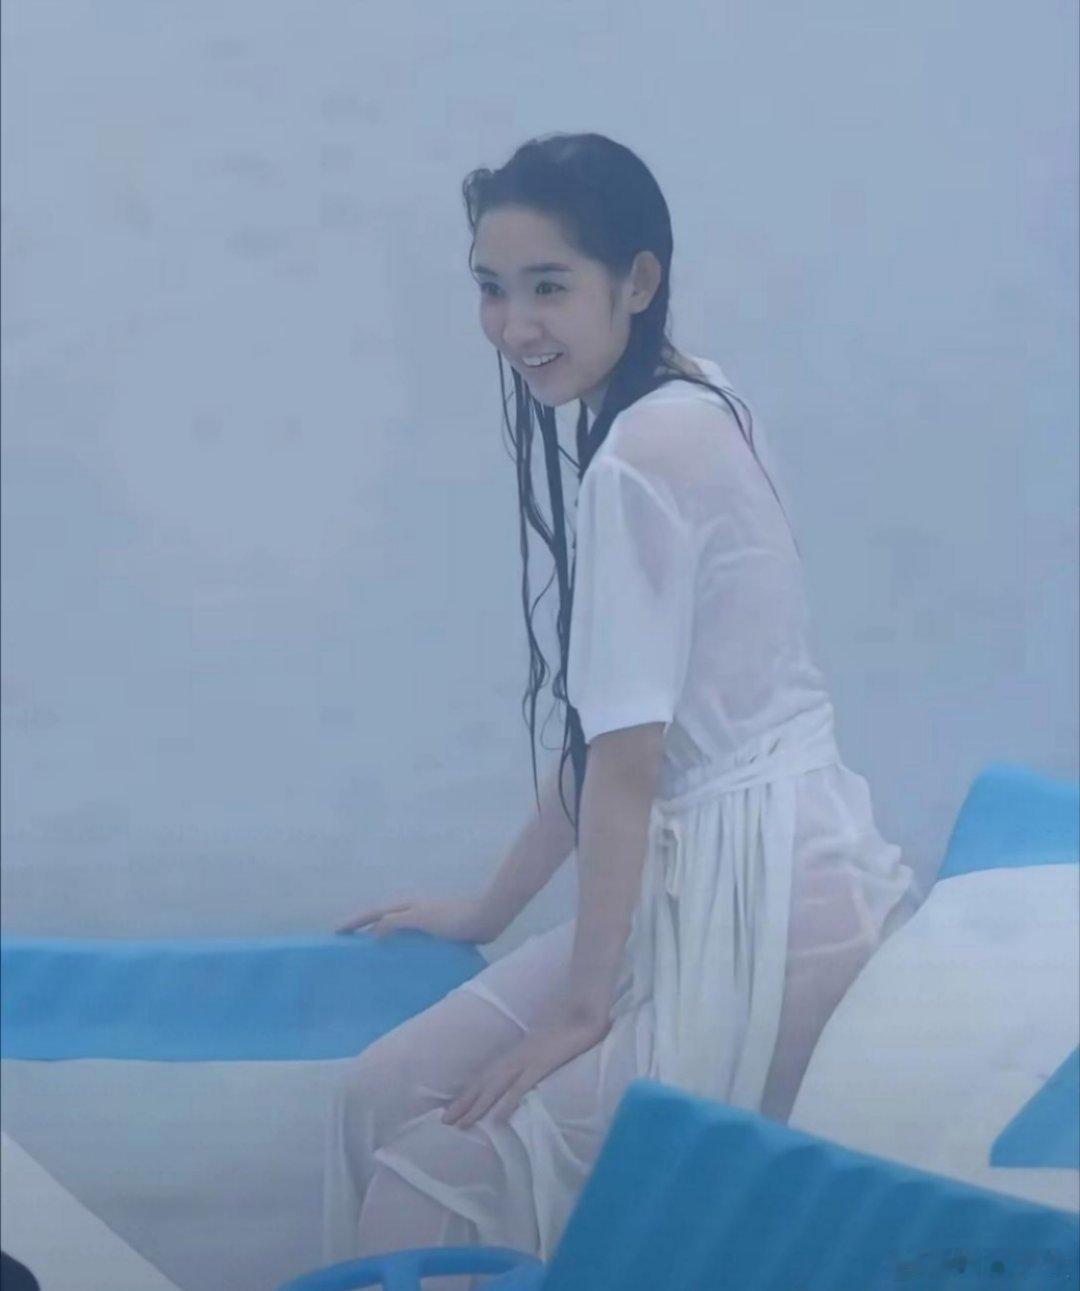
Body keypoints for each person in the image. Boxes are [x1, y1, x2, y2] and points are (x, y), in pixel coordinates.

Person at [320, 132, 921, 1288]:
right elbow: (615, 742)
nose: (515, 326)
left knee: (433, 1176)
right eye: (492, 289)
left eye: (549, 287)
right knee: (379, 1092)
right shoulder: (693, 390)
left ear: (637, 281)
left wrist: (581, 1008)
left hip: (767, 906)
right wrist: (486, 908)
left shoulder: (643, 453)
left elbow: (630, 768)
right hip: (720, 871)